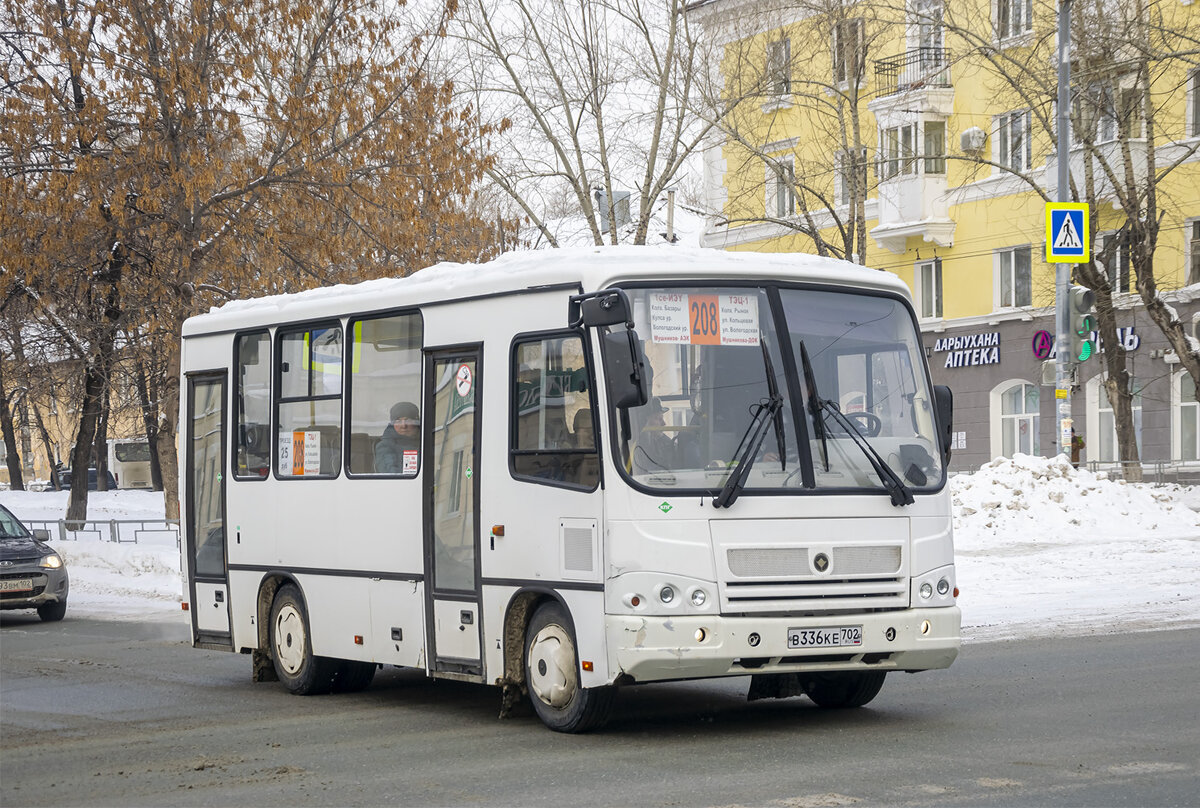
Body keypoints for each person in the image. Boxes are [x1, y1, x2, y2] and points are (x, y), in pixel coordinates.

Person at [633, 397, 676, 474]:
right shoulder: (638, 445)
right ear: (645, 421)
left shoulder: (664, 441)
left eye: (662, 418)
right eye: (658, 419)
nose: (664, 423)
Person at [375, 401, 420, 473]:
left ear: (416, 422)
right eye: (398, 421)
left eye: (407, 420)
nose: (403, 425)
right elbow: (390, 474)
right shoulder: (385, 446)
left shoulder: (427, 441)